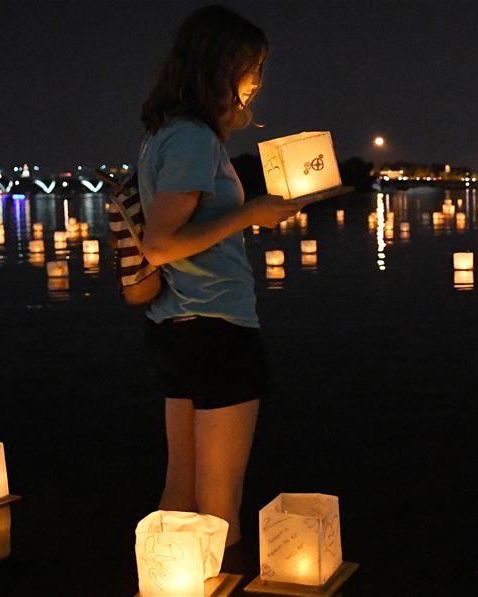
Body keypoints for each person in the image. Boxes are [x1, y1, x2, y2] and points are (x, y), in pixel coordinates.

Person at [138, 4, 314, 552]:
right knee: (219, 511)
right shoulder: (193, 139)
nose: (255, 82)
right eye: (250, 68)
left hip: (176, 328)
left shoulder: (166, 136)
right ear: (219, 68)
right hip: (218, 329)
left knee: (180, 497)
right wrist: (250, 214)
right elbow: (161, 242)